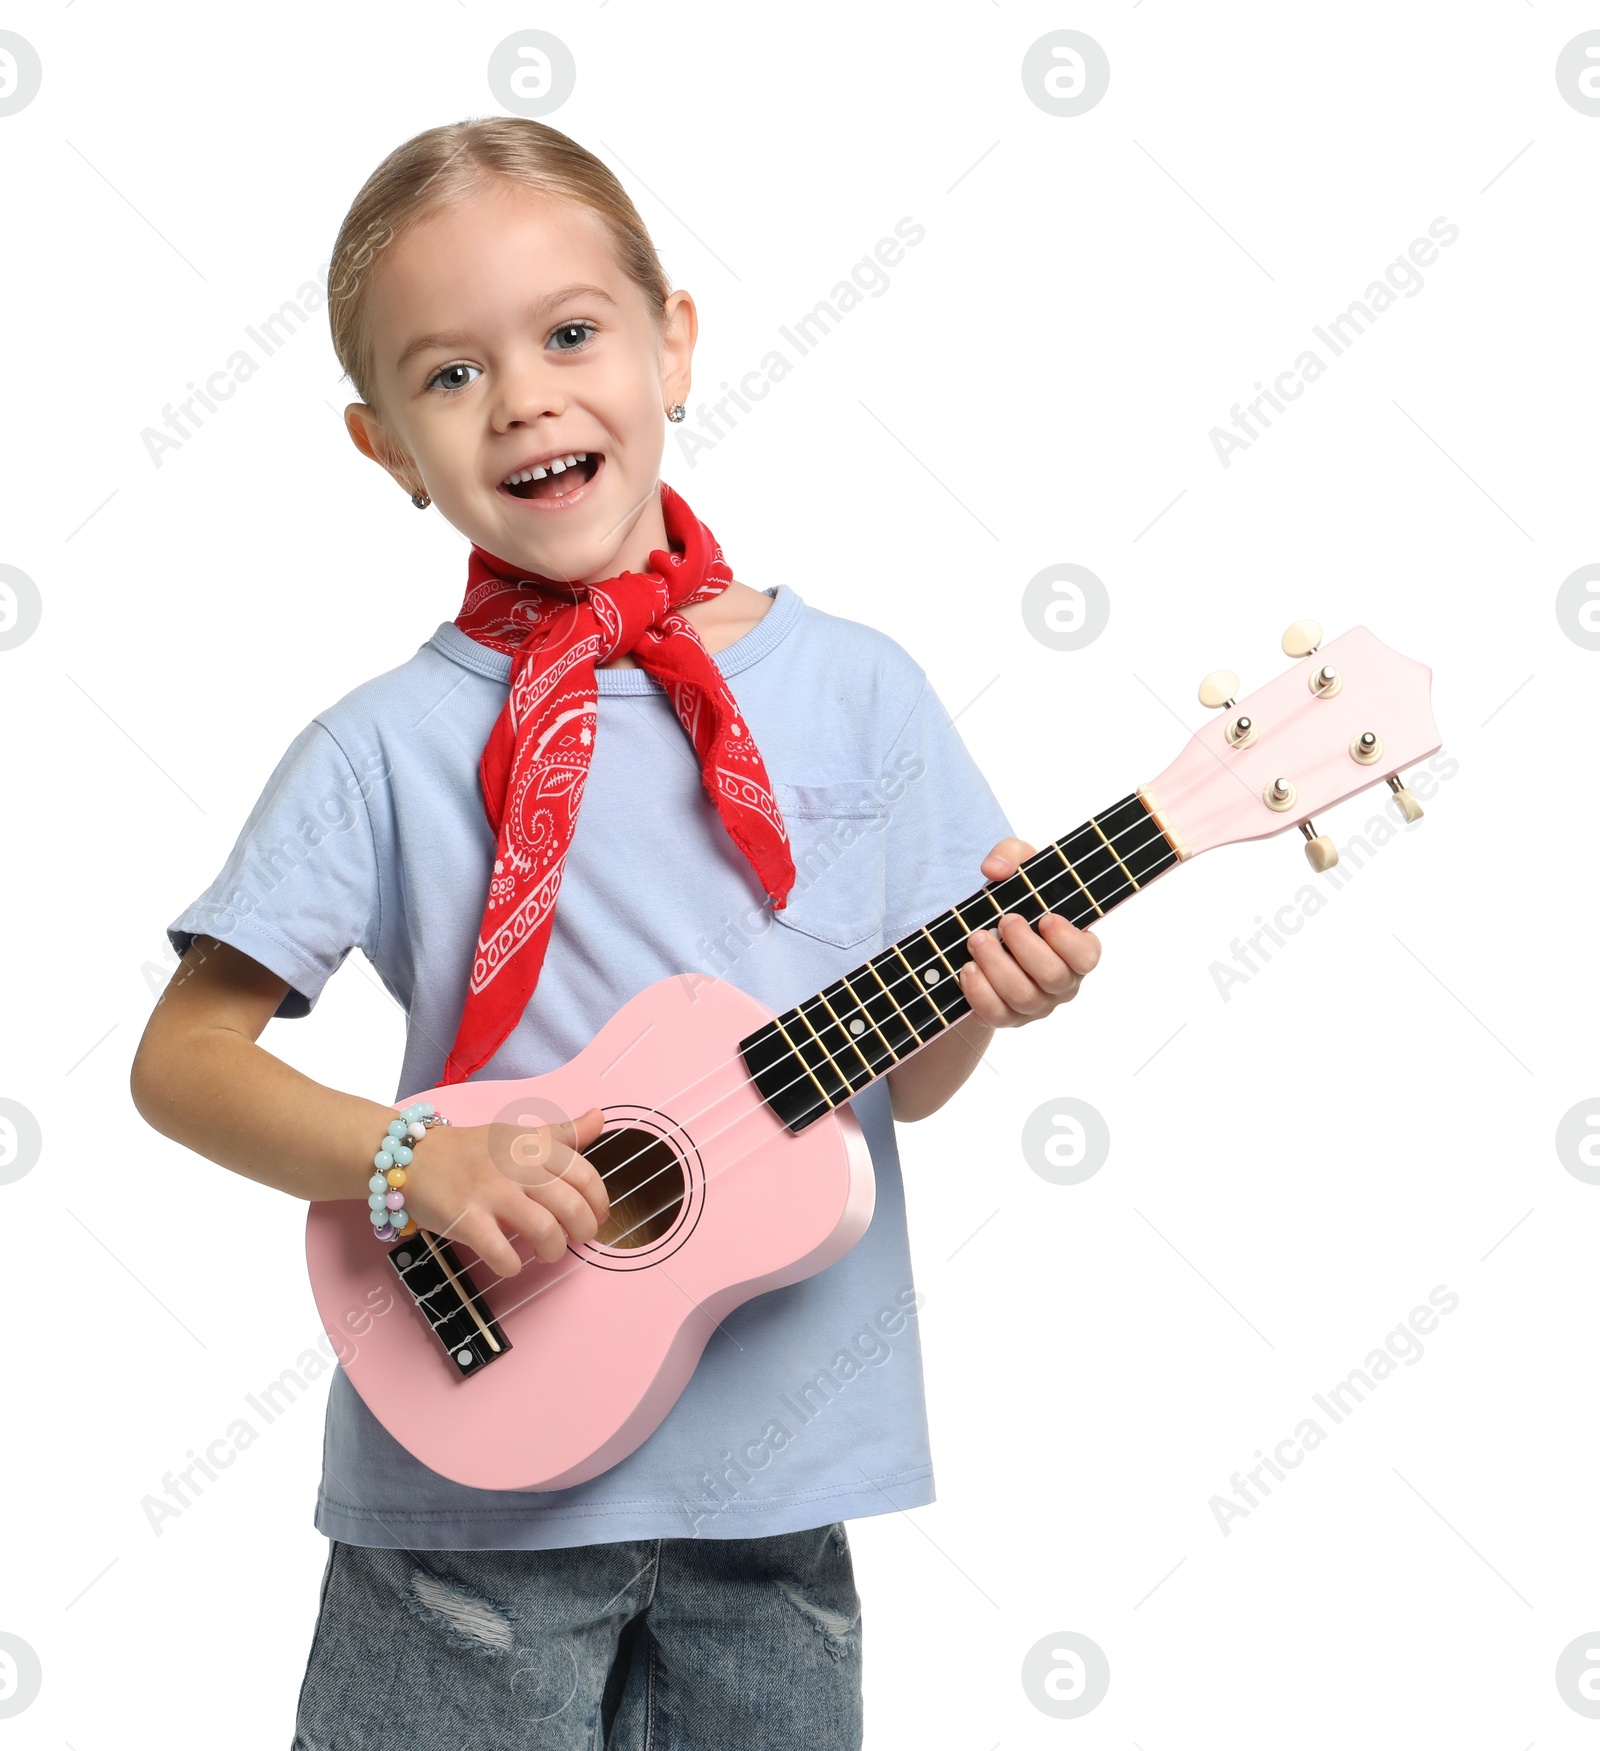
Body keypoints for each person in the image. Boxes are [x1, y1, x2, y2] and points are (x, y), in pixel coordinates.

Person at [129, 116, 1103, 1750]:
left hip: (774, 1497)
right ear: (384, 450)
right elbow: (182, 1062)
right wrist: (404, 1164)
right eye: (450, 375)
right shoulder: (386, 745)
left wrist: (990, 1000)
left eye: (572, 334)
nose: (522, 399)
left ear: (675, 347)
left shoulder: (860, 690)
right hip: (472, 1487)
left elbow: (890, 1095)